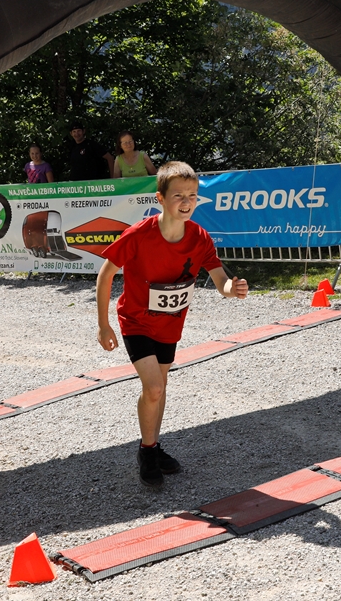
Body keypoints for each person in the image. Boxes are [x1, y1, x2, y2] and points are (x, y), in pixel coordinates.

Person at [95, 161, 249, 487]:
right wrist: (103, 325)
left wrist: (231, 289)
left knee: (160, 388)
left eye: (192, 195)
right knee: (153, 387)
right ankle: (146, 452)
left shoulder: (199, 237)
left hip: (170, 325)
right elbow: (105, 275)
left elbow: (219, 279)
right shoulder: (139, 235)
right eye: (178, 195)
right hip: (136, 321)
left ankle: (151, 446)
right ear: (161, 198)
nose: (186, 201)